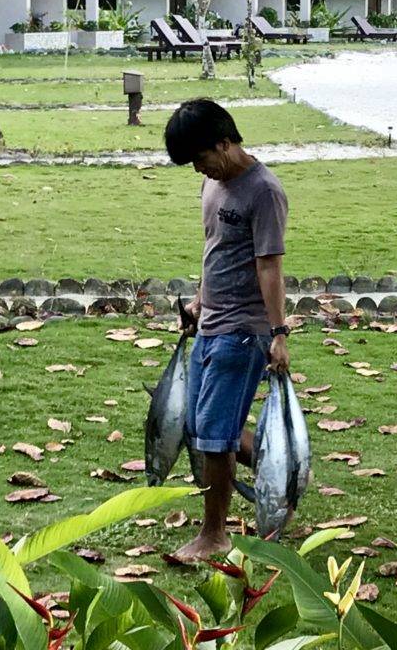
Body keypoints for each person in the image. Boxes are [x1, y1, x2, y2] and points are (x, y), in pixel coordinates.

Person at [163, 98, 291, 557]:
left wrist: (278, 333)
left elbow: (269, 267)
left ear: (224, 142)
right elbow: (214, 249)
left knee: (215, 437)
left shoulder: (264, 191)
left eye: (201, 159)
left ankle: (214, 535)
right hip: (211, 322)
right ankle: (285, 470)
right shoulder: (211, 185)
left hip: (245, 329)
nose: (200, 170)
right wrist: (199, 300)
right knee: (201, 426)